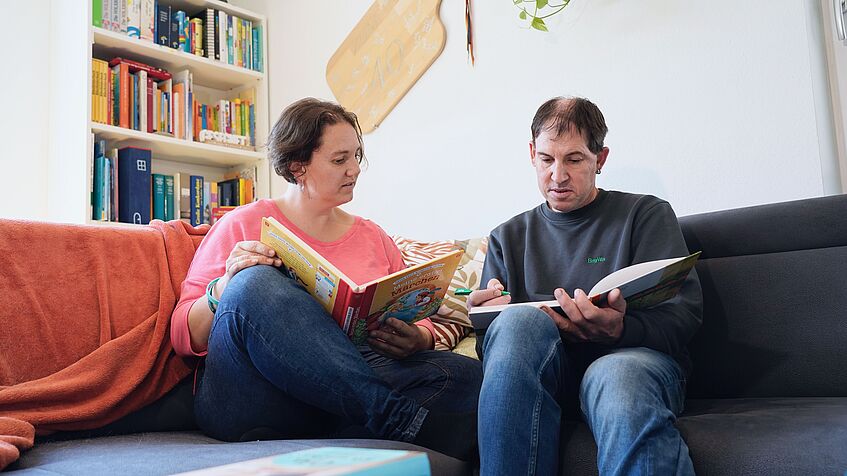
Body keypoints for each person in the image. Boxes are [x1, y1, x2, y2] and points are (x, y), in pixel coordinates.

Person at [170, 98, 481, 460]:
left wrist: (419, 338)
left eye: (356, 156)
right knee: (254, 283)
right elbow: (183, 336)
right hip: (253, 394)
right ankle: (392, 417)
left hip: (335, 394)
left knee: (468, 377)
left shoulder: (373, 236)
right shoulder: (242, 223)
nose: (355, 169)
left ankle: (359, 420)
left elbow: (420, 320)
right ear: (297, 166)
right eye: (339, 160)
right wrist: (225, 287)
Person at [468, 97, 703, 475]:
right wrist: (484, 322)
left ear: (600, 158)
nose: (558, 175)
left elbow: (684, 315)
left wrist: (621, 330)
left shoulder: (645, 215)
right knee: (515, 323)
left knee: (616, 374)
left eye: (574, 160)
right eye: (547, 159)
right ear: (532, 154)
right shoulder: (506, 238)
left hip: (633, 365)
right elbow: (498, 359)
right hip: (547, 380)